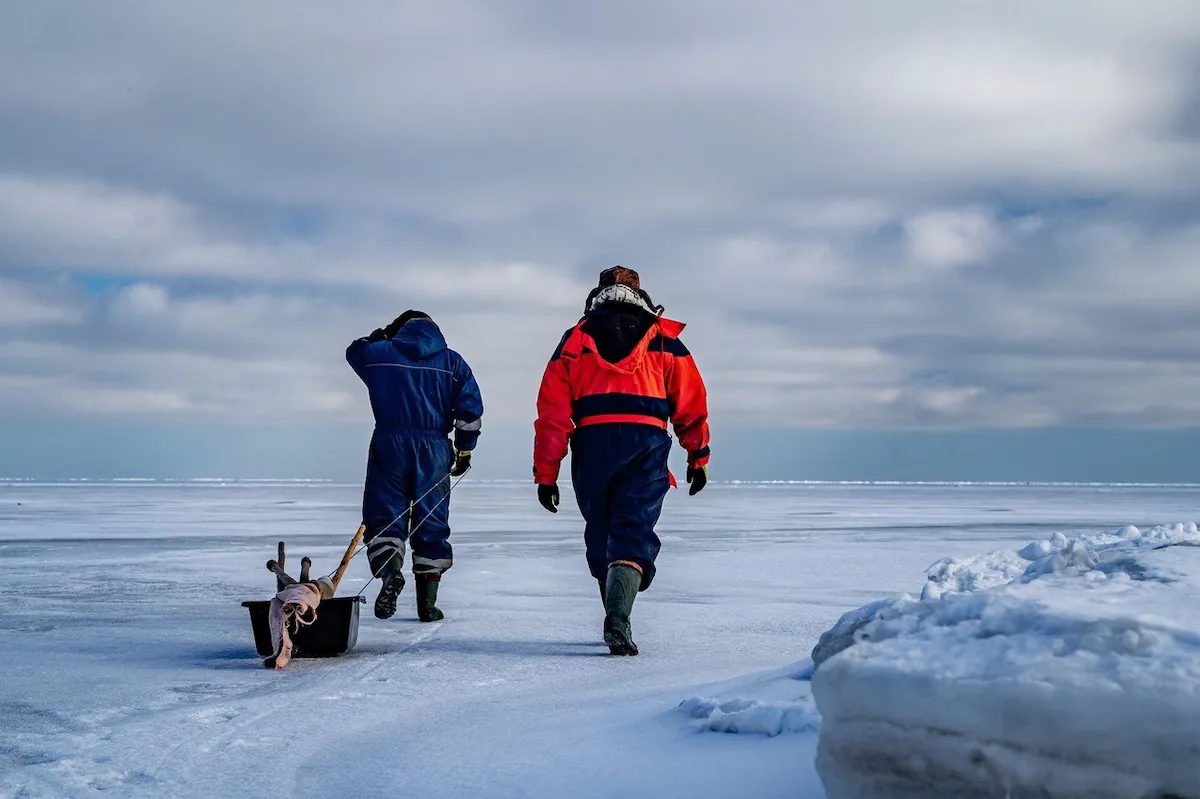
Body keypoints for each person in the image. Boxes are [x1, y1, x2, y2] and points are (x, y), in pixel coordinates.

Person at [533, 266, 711, 655]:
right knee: (633, 528)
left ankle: (614, 615)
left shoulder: (575, 339)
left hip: (592, 444)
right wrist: (697, 455)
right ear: (640, 294)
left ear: (598, 293)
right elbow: (690, 401)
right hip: (645, 442)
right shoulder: (663, 339)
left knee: (601, 531)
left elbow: (552, 413)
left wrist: (547, 474)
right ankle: (618, 618)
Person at [346, 310, 483, 622]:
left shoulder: (381, 353)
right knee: (431, 521)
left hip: (389, 444)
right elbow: (470, 410)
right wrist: (464, 449)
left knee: (385, 515)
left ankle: (390, 573)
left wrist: (383, 336)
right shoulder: (453, 362)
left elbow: (354, 351)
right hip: (434, 449)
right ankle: (427, 605)